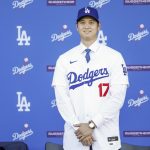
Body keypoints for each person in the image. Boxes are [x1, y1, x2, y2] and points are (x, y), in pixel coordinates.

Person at [52, 6, 129, 150]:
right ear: (76, 27)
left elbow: (117, 97)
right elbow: (62, 99)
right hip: (76, 139)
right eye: (82, 22)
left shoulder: (115, 57)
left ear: (99, 26)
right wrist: (80, 129)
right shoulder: (64, 59)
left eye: (91, 22)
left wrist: (92, 124)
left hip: (106, 138)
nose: (87, 26)